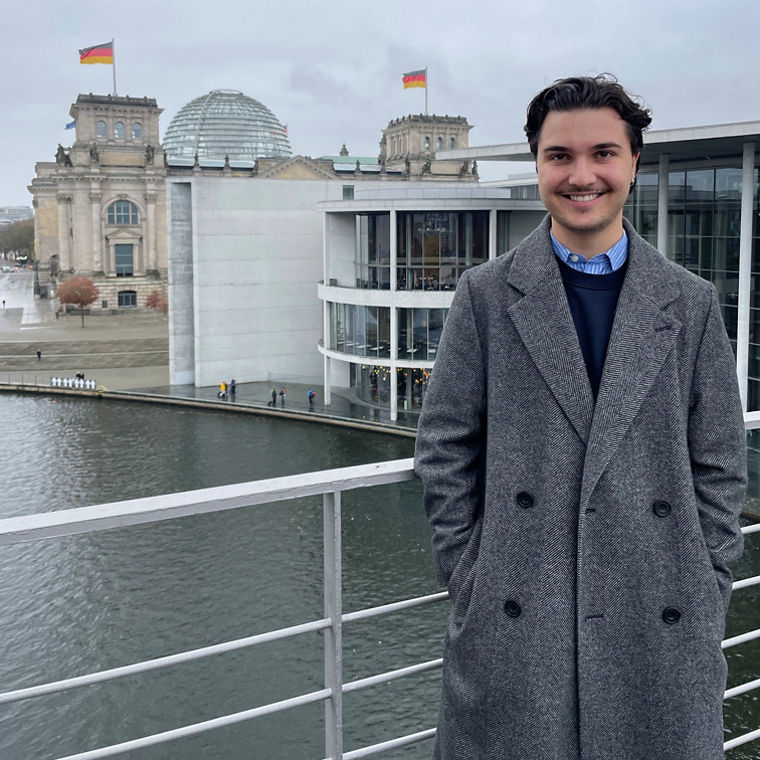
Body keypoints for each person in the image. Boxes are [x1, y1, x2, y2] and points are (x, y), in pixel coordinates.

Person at [414, 75, 747, 760]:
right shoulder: (484, 295)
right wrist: (472, 575)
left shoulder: (691, 302)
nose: (581, 174)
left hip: (659, 610)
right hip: (516, 615)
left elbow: (720, 458)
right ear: (538, 166)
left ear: (632, 163)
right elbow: (444, 445)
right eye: (560, 156)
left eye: (602, 153)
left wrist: (705, 578)